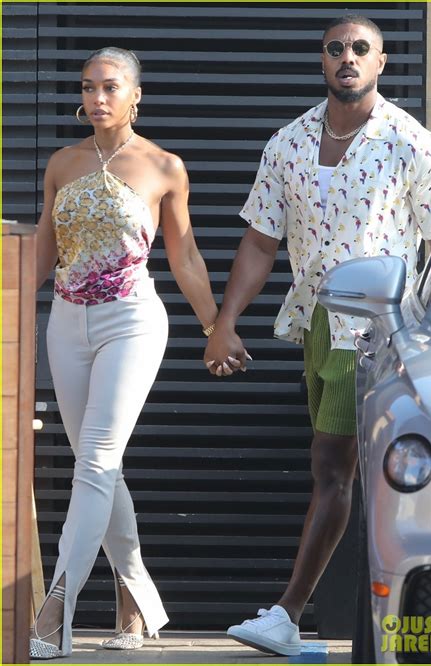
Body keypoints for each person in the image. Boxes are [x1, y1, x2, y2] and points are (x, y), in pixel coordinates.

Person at [204, 14, 431, 656]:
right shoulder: (287, 144)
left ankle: (289, 616)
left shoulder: (412, 143)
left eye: (360, 48)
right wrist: (223, 323)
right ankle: (369, 627)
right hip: (320, 326)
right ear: (322, 60)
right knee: (343, 474)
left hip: (379, 332)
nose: (348, 56)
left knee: (335, 471)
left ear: (381, 62)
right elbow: (261, 242)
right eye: (336, 48)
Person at [30, 46, 234, 659]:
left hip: (132, 322)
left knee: (93, 460)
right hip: (66, 324)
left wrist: (214, 327)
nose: (97, 97)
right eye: (89, 86)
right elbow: (42, 254)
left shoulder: (164, 166)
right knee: (101, 466)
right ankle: (136, 601)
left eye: (110, 87)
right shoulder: (61, 164)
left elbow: (186, 256)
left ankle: (55, 610)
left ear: (135, 95)